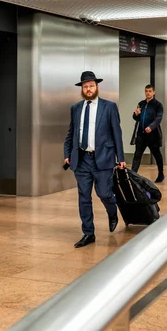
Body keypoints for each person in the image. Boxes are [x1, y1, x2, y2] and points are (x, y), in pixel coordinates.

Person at [63, 71, 125, 248]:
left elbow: (117, 134)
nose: (88, 89)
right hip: (81, 159)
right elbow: (71, 133)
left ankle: (112, 212)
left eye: (91, 86)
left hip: (103, 158)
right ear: (82, 89)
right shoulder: (76, 108)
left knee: (104, 193)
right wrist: (67, 153)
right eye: (85, 86)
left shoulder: (109, 107)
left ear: (97, 87)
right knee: (84, 197)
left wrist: (120, 157)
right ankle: (88, 233)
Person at [131, 84, 164, 182]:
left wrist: (151, 127)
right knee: (137, 155)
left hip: (153, 136)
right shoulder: (141, 103)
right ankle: (133, 175)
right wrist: (135, 114)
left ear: (154, 92)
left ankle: (161, 174)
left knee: (157, 155)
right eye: (146, 91)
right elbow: (136, 118)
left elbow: (159, 118)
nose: (148, 93)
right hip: (141, 135)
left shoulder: (158, 105)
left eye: (150, 91)